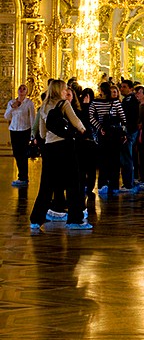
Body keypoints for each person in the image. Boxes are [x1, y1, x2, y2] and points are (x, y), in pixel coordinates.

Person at [30, 79, 91, 230]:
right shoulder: (63, 104)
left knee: (46, 185)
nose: (66, 92)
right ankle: (75, 220)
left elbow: (42, 133)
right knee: (73, 183)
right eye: (64, 89)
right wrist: (84, 133)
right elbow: (76, 122)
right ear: (59, 90)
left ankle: (36, 220)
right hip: (65, 146)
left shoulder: (44, 106)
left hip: (50, 148)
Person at [89, 82, 127, 196]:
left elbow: (90, 116)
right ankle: (114, 185)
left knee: (103, 159)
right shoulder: (115, 102)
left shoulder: (95, 102)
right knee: (114, 160)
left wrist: (99, 127)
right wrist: (123, 132)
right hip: (114, 133)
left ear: (101, 90)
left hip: (103, 133)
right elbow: (123, 117)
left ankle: (102, 184)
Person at [4, 84, 35, 186]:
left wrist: (33, 133)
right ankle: (21, 176)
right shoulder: (11, 102)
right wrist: (13, 107)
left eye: (24, 89)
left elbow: (32, 118)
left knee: (23, 154)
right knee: (16, 153)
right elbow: (6, 116)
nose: (21, 90)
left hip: (24, 130)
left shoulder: (29, 103)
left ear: (26, 92)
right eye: (20, 88)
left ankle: (23, 177)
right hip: (14, 130)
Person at [119, 79, 139, 188]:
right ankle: (127, 182)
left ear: (131, 89)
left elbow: (129, 118)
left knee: (127, 158)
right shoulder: (127, 100)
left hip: (129, 132)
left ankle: (128, 183)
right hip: (129, 131)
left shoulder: (130, 101)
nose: (122, 89)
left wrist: (126, 132)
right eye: (121, 86)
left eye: (124, 87)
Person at [77, 88, 97, 196]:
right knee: (82, 166)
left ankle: (90, 186)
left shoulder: (95, 109)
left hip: (92, 141)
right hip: (82, 141)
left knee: (91, 166)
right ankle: (83, 184)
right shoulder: (79, 110)